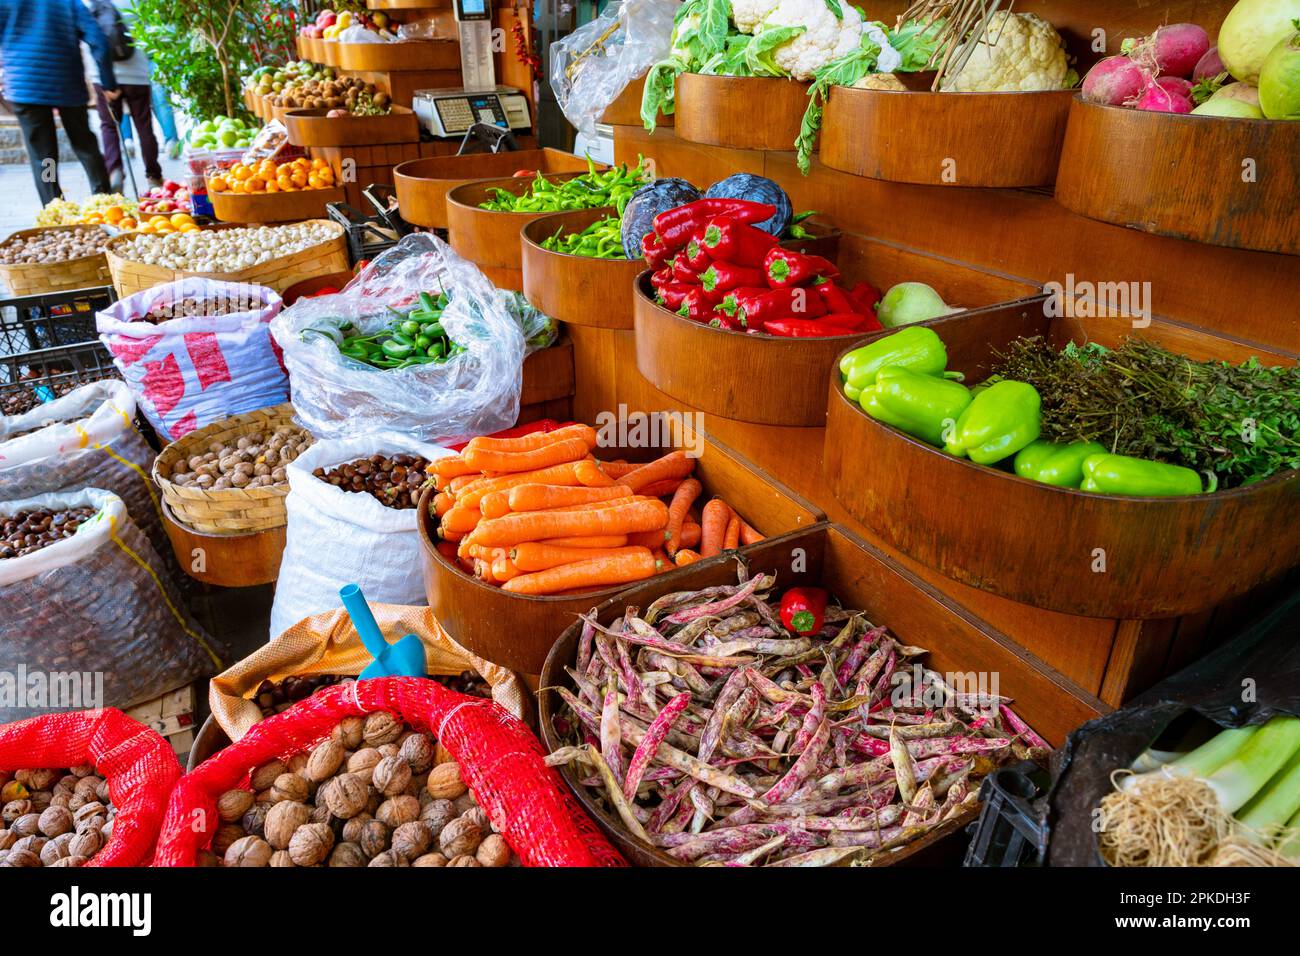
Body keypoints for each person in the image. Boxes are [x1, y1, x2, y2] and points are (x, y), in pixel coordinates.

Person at [0, 0, 118, 205]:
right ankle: (104, 202)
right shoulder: (68, 2)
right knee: (85, 144)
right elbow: (98, 39)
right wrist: (108, 83)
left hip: (25, 84)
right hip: (67, 82)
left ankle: (55, 208)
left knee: (44, 155)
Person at [89, 0, 162, 191]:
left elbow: (90, 37)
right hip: (137, 74)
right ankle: (153, 176)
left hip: (103, 76)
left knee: (109, 126)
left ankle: (115, 172)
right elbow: (154, 31)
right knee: (144, 125)